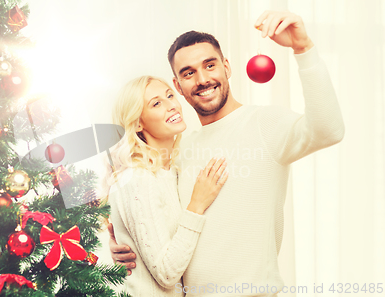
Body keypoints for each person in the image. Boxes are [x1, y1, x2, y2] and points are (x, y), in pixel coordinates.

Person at [108, 10, 345, 296]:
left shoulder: (265, 124)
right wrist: (124, 245)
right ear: (178, 86)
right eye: (188, 73)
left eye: (210, 65)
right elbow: (154, 217)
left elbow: (329, 130)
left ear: (227, 67)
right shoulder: (180, 150)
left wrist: (303, 48)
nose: (203, 79)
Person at [102, 75, 229, 296]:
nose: (171, 105)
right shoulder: (138, 178)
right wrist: (196, 205)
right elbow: (167, 273)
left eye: (170, 95)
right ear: (138, 122)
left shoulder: (173, 171)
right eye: (156, 103)